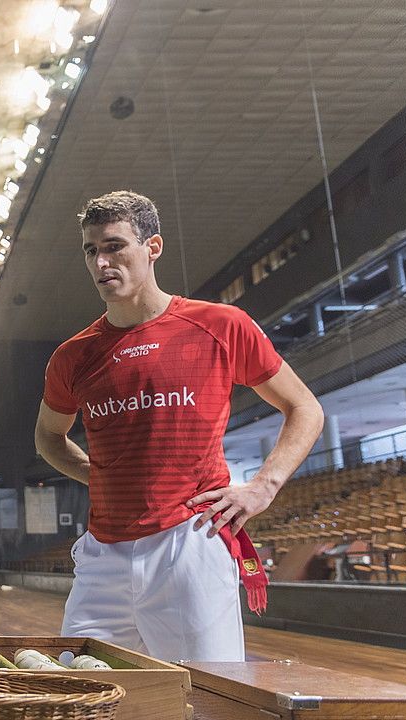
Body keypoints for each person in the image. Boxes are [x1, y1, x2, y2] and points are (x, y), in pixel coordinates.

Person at [34, 190, 323, 662]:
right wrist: (98, 473)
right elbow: (48, 436)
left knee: (209, 699)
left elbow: (304, 408)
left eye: (114, 246)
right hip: (102, 556)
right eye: (91, 251)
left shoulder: (221, 325)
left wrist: (262, 487)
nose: (101, 262)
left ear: (153, 247)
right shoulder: (73, 356)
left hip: (192, 542)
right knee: (87, 697)